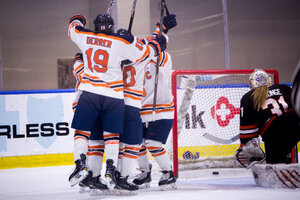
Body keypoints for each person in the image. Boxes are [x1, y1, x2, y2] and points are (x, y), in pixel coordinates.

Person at [67, 13, 166, 192]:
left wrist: (80, 19)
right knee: (117, 139)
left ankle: (82, 166)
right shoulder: (122, 45)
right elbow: (150, 49)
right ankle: (112, 171)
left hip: (89, 93)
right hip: (115, 97)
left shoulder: (86, 37)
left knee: (88, 136)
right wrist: (156, 34)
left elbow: (73, 27)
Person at [131, 49, 176, 190]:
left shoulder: (159, 59)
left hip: (162, 110)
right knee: (137, 143)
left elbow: (162, 51)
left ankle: (168, 174)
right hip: (142, 111)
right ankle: (145, 173)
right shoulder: (133, 63)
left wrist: (160, 40)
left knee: (153, 144)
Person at [235, 69, 300, 167]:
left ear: (252, 83)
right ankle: (290, 161)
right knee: (289, 145)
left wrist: (244, 147)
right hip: (296, 121)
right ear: (269, 80)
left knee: (276, 169)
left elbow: (248, 134)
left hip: (274, 132)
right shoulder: (284, 88)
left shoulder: (248, 97)